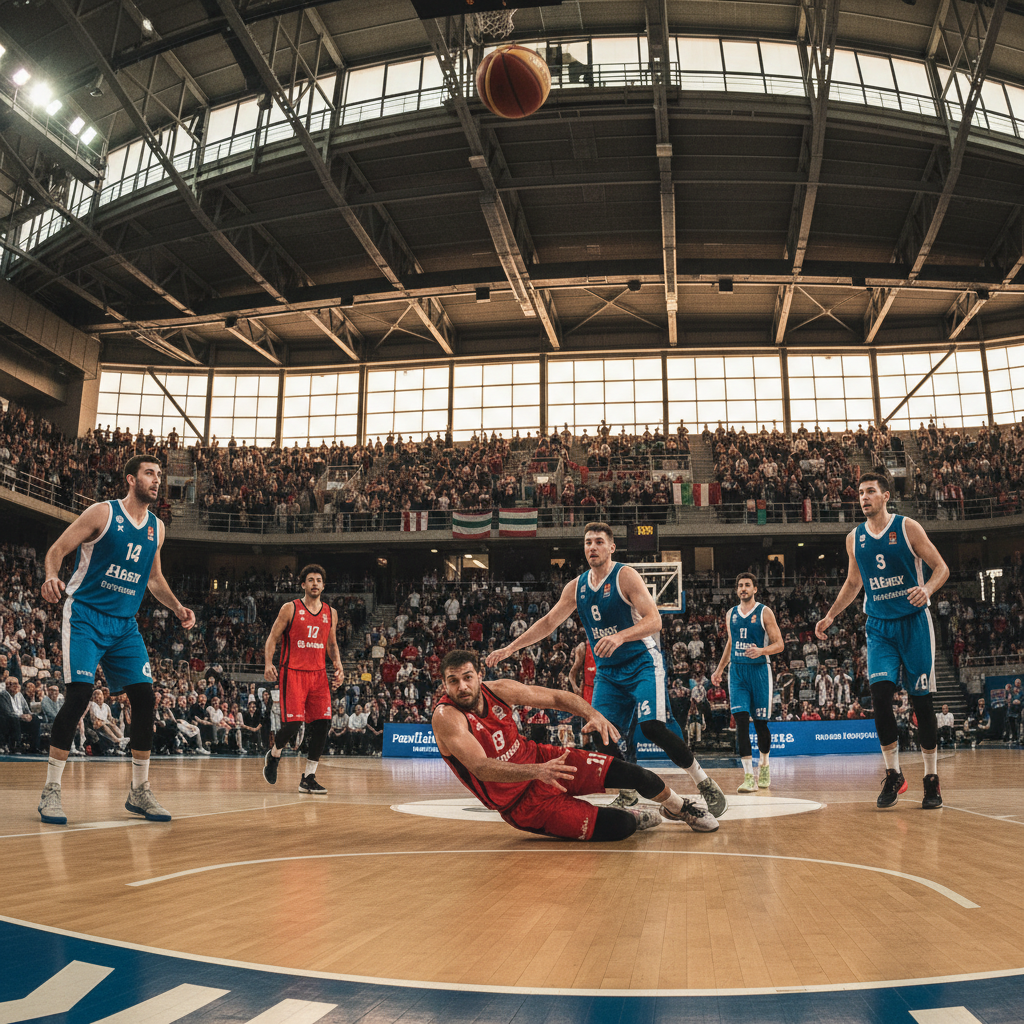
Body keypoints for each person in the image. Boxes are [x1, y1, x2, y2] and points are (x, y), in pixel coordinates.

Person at [487, 522, 726, 820]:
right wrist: (511, 648)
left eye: (599, 542)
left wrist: (620, 636)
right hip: (609, 672)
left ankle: (703, 781)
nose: (592, 547)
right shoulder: (576, 586)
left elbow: (655, 621)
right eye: (588, 542)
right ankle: (627, 793)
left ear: (611, 547)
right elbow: (548, 623)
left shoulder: (626, 576)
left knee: (652, 727)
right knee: (602, 731)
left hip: (641, 662)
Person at [37, 455, 196, 825]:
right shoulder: (101, 514)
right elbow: (57, 551)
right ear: (131, 479)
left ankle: (139, 791)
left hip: (124, 625)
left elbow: (153, 579)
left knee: (144, 697)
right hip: (86, 616)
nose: (157, 480)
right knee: (78, 695)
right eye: (150, 474)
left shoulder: (157, 527)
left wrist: (176, 607)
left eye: (160, 475)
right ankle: (51, 791)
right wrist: (50, 576)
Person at [433, 650, 717, 839]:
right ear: (444, 684)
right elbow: (481, 768)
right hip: (522, 804)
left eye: (467, 677)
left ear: (479, 676)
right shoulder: (447, 717)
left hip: (545, 760)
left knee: (635, 775)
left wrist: (593, 714)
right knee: (623, 827)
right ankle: (631, 813)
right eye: (453, 681)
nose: (462, 687)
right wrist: (536, 772)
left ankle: (679, 807)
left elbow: (556, 698)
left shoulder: (499, 690)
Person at [815, 472, 950, 810]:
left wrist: (927, 589)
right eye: (860, 492)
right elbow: (852, 583)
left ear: (886, 496)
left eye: (871, 491)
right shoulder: (854, 538)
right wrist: (831, 615)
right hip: (878, 628)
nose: (864, 497)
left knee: (922, 704)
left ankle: (931, 779)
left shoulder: (908, 528)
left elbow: (941, 568)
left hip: (914, 624)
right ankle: (894, 774)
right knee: (879, 697)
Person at [263, 564, 344, 794]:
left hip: (318, 675)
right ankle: (275, 754)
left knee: (322, 724)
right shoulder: (290, 608)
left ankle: (308, 777)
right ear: (303, 584)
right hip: (293, 672)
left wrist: (338, 666)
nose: (315, 583)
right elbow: (272, 637)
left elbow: (332, 644)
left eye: (319, 580)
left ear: (323, 585)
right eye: (311, 580)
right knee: (294, 724)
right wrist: (269, 663)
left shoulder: (331, 613)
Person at [712, 573, 784, 793]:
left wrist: (761, 651)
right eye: (740, 585)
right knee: (741, 721)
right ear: (737, 590)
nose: (743, 588)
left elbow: (779, 644)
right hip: (738, 672)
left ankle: (764, 764)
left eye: (747, 585)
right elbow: (731, 643)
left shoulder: (764, 612)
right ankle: (748, 776)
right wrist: (720, 668)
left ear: (755, 589)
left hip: (760, 671)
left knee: (761, 724)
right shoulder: (730, 614)